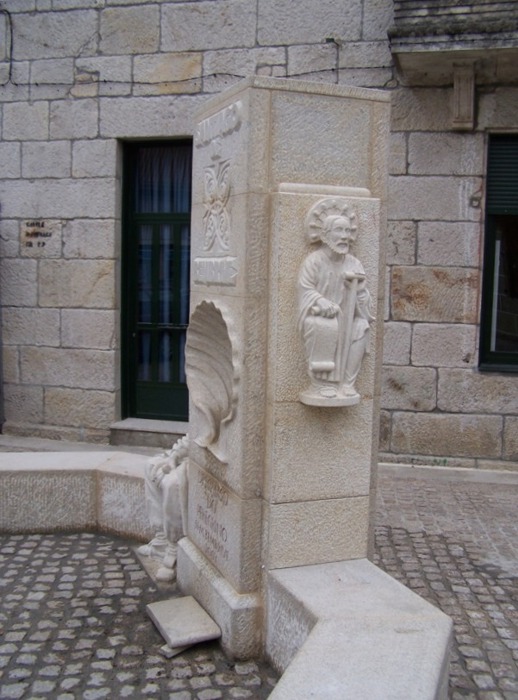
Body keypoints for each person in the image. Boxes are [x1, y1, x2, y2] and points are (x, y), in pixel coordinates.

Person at [298, 199, 374, 405]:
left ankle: (347, 383)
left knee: (361, 326)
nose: (344, 236)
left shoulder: (354, 263)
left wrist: (359, 291)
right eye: (339, 230)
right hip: (324, 316)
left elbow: (365, 304)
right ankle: (321, 384)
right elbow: (305, 289)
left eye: (347, 231)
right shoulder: (314, 261)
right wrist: (321, 302)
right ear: (325, 235)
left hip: (347, 319)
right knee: (324, 326)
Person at [138, 435, 189, 582]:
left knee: (173, 485)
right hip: (192, 455)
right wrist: (176, 454)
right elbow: (195, 432)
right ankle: (161, 542)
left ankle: (174, 551)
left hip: (205, 463)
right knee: (151, 465)